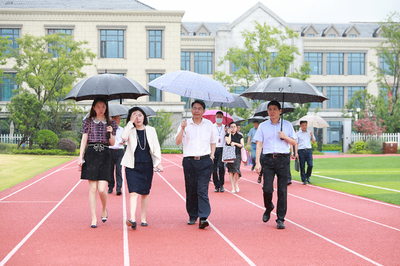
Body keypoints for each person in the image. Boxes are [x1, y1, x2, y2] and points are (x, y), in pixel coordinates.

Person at [254, 101, 297, 230]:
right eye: (270, 109)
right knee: (267, 189)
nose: (272, 112)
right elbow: (259, 144)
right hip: (268, 160)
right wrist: (257, 162)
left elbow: (294, 142)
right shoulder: (262, 126)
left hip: (283, 160)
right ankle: (268, 207)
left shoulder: (287, 125)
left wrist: (285, 137)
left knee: (282, 191)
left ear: (280, 111)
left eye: (274, 109)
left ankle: (280, 219)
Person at [175, 100, 217, 229]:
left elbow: (213, 141)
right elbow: (177, 142)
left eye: (199, 108)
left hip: (205, 161)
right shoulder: (185, 124)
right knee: (191, 189)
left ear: (204, 111)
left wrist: (212, 156)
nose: (197, 111)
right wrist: (182, 129)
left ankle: (203, 217)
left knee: (202, 189)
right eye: (194, 108)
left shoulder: (209, 124)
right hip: (189, 161)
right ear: (191, 109)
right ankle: (192, 215)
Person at [78, 97, 118, 229]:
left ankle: (104, 208)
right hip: (91, 154)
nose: (101, 109)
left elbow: (112, 143)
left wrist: (111, 132)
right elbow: (84, 140)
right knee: (93, 188)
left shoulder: (111, 122)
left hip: (105, 155)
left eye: (103, 107)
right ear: (93, 108)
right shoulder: (88, 121)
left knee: (102, 189)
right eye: (98, 107)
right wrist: (80, 156)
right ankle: (93, 217)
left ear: (106, 108)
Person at [121, 107, 163, 230]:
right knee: (133, 192)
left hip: (146, 165)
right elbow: (123, 137)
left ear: (144, 117)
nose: (138, 118)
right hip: (132, 166)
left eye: (140, 115)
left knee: (145, 193)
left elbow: (156, 147)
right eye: (134, 115)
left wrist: (157, 163)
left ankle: (143, 218)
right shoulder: (129, 130)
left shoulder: (151, 130)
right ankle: (132, 219)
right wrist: (130, 123)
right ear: (131, 117)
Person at [225, 121, 244, 193]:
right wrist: (229, 133)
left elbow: (242, 145)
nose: (233, 128)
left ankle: (236, 184)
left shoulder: (240, 136)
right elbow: (228, 142)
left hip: (237, 154)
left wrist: (235, 143)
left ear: (236, 128)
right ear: (229, 128)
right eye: (231, 127)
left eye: (234, 127)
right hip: (229, 154)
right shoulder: (227, 135)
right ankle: (232, 187)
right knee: (230, 171)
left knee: (236, 171)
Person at [108, 115, 124, 195]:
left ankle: (119, 188)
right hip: (110, 151)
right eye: (117, 119)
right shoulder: (108, 129)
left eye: (119, 119)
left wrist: (124, 142)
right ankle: (110, 187)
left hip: (119, 151)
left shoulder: (122, 129)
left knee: (118, 170)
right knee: (110, 170)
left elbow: (127, 139)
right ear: (113, 119)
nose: (119, 120)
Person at [296, 121, 316, 185]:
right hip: (301, 151)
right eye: (303, 125)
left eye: (305, 125)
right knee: (302, 166)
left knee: (310, 165)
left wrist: (312, 135)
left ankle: (308, 176)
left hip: (308, 150)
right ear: (300, 126)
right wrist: (296, 153)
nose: (304, 127)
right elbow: (296, 143)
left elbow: (314, 141)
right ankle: (304, 179)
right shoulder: (298, 134)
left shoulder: (310, 132)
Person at [212, 111, 226, 193]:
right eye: (218, 116)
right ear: (215, 117)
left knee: (221, 166)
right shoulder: (212, 127)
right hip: (214, 149)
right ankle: (216, 185)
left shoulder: (225, 127)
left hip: (222, 149)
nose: (219, 118)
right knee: (213, 168)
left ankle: (221, 184)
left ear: (223, 118)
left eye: (221, 117)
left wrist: (227, 132)